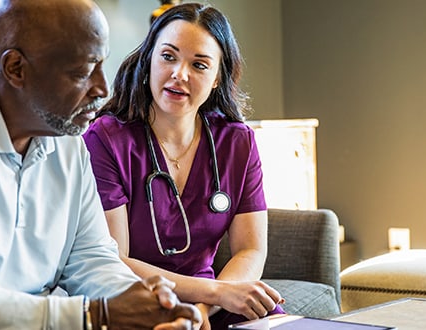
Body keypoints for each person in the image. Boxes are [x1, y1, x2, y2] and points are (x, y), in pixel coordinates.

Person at [0, 0, 201, 329]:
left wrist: (142, 304)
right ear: (16, 68)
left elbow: (91, 258)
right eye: (82, 73)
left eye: (102, 66)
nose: (102, 89)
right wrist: (95, 315)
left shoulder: (67, 140)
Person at [83, 3, 284, 329]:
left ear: (218, 77)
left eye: (199, 64)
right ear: (149, 58)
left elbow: (249, 250)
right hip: (137, 300)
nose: (179, 74)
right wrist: (215, 292)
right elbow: (113, 261)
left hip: (213, 305)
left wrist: (204, 309)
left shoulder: (237, 142)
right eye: (168, 56)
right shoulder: (106, 140)